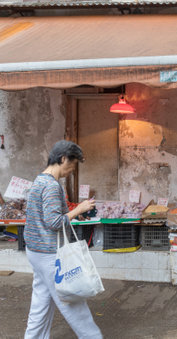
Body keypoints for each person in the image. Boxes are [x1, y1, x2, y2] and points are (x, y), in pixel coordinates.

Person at [24, 140, 102, 339]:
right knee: (72, 302)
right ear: (63, 158)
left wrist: (76, 213)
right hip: (49, 254)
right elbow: (53, 222)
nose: (72, 170)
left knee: (41, 304)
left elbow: (49, 216)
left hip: (36, 251)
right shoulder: (51, 186)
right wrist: (78, 209)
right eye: (73, 165)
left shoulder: (40, 180)